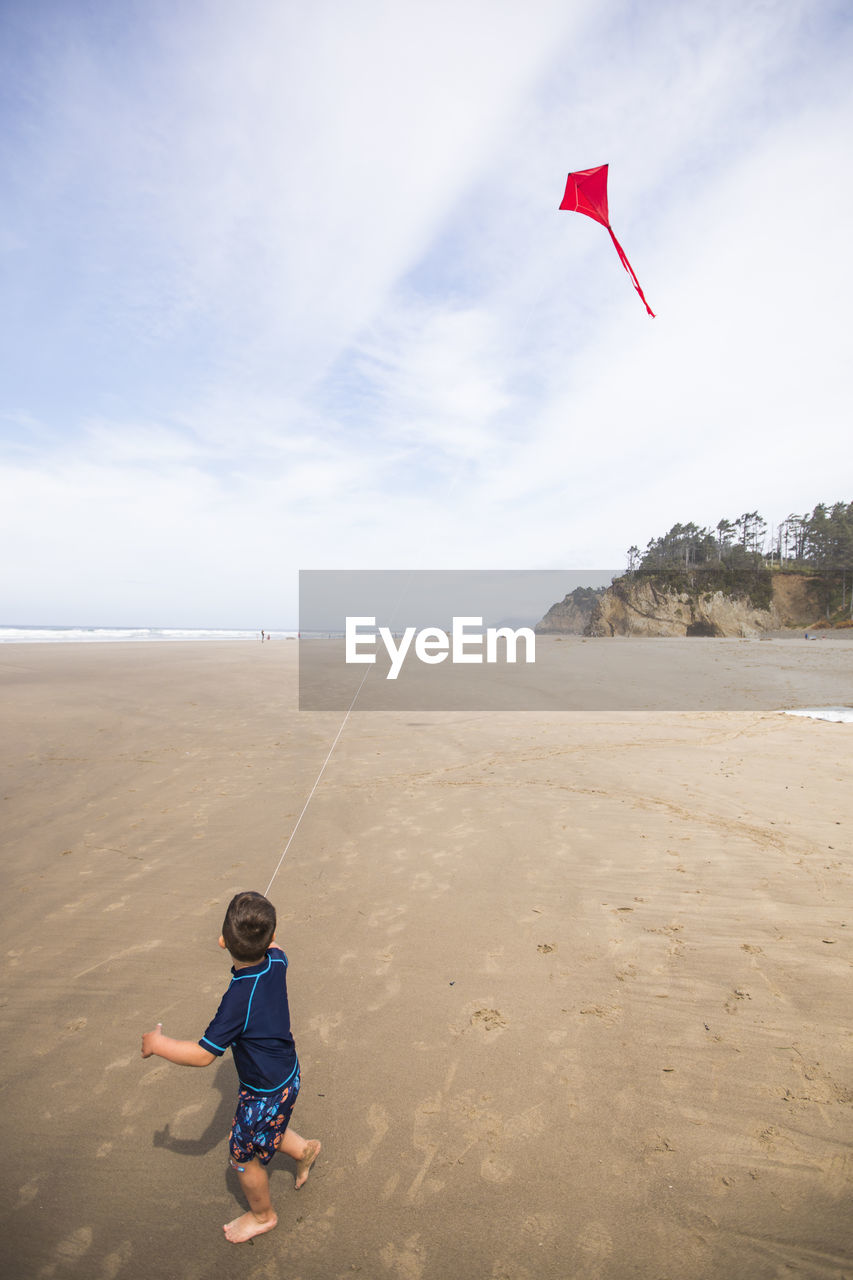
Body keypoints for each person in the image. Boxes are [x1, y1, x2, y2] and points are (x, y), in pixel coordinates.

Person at [141, 890, 321, 1243]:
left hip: (264, 1090)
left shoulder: (237, 998)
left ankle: (262, 1215)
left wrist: (159, 1044)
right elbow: (273, 942)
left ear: (222, 942)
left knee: (243, 1154)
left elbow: (204, 1053)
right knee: (268, 1126)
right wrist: (262, 926)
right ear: (271, 937)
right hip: (287, 1072)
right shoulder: (278, 959)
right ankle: (305, 1150)